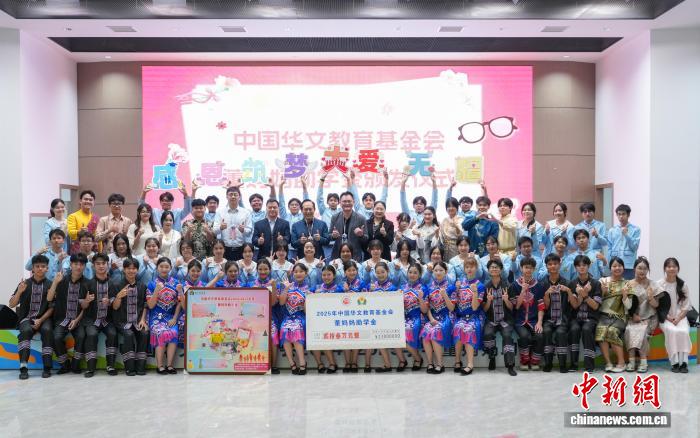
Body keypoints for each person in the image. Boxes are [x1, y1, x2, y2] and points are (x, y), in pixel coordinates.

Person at [10, 255, 54, 379]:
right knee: (25, 331)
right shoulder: (24, 284)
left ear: (47, 268)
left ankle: (47, 367)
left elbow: (52, 307)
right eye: (37, 266)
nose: (40, 269)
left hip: (44, 318)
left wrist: (41, 320)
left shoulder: (51, 285)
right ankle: (23, 367)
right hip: (26, 318)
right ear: (32, 268)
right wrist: (19, 291)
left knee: (47, 330)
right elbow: (11, 304)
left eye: (43, 266)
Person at [48, 254, 88, 374]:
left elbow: (86, 307)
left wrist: (76, 320)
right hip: (62, 318)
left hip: (78, 320)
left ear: (85, 266)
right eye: (76, 264)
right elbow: (49, 298)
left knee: (81, 336)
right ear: (71, 265)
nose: (78, 267)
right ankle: (64, 365)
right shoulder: (61, 280)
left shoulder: (88, 283)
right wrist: (55, 282)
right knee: (56, 337)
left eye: (81, 264)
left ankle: (75, 365)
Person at [80, 253, 118, 377]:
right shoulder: (87, 284)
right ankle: (90, 368)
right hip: (91, 319)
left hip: (108, 320)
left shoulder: (113, 284)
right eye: (98, 264)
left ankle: (110, 365)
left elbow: (116, 304)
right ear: (93, 266)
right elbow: (82, 306)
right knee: (91, 334)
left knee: (112, 334)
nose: (101, 266)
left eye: (103, 263)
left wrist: (110, 302)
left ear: (108, 265)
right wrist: (86, 301)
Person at [110, 257, 149, 376]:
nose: (131, 271)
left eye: (134, 268)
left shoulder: (142, 286)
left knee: (144, 333)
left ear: (137, 270)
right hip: (122, 321)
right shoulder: (116, 285)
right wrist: (118, 296)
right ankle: (129, 367)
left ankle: (140, 367)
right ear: (124, 269)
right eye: (128, 268)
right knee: (128, 334)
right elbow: (114, 307)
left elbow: (145, 305)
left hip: (137, 321)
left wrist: (143, 320)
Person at [596, 257, 634, 373]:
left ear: (623, 268)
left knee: (612, 331)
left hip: (620, 317)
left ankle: (621, 363)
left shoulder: (627, 284)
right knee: (601, 330)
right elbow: (597, 301)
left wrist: (624, 296)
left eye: (619, 266)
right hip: (604, 316)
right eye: (614, 266)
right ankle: (608, 363)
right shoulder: (602, 281)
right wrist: (603, 292)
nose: (617, 268)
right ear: (610, 268)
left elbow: (629, 307)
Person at [624, 257, 661, 373]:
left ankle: (643, 362)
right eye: (639, 268)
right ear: (634, 269)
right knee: (629, 330)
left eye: (645, 268)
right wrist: (633, 316)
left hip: (650, 318)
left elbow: (657, 305)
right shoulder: (628, 284)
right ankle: (631, 361)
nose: (642, 271)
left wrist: (651, 298)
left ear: (648, 270)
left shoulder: (653, 284)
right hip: (633, 318)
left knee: (642, 330)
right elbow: (626, 305)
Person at [147, 257, 182, 374]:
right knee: (161, 333)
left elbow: (179, 303)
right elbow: (150, 305)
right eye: (161, 266)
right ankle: (160, 366)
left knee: (174, 332)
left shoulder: (176, 283)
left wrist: (175, 318)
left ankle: (170, 365)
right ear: (157, 268)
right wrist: (156, 290)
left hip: (171, 317)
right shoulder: (152, 284)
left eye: (167, 267)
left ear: (171, 268)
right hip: (156, 317)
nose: (164, 269)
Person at [541, 253, 576, 373]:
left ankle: (562, 364)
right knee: (546, 332)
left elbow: (574, 304)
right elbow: (545, 307)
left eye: (555, 264)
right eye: (550, 264)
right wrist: (546, 294)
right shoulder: (543, 283)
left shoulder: (567, 282)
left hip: (563, 318)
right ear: (546, 266)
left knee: (561, 333)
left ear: (559, 265)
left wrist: (569, 291)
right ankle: (548, 363)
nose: (553, 266)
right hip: (548, 318)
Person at [482, 259, 517, 376]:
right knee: (487, 334)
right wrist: (488, 301)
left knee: (507, 335)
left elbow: (512, 308)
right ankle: (492, 358)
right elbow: (484, 309)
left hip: (506, 320)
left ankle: (510, 365)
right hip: (491, 320)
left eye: (496, 267)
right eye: (491, 267)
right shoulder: (486, 287)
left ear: (501, 270)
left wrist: (506, 300)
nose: (494, 269)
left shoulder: (508, 285)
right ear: (488, 270)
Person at [657, 257, 693, 373]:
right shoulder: (659, 284)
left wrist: (678, 318)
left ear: (678, 268)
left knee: (683, 332)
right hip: (665, 317)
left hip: (680, 316)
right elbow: (658, 306)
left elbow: (686, 306)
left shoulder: (682, 285)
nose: (671, 268)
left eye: (674, 266)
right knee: (672, 331)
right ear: (665, 269)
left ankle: (684, 363)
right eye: (669, 266)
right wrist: (669, 317)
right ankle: (675, 362)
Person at [568, 254, 602, 372]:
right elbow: (575, 305)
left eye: (584, 265)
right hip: (576, 317)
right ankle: (573, 364)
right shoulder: (572, 284)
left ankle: (589, 366)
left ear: (589, 266)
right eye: (578, 265)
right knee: (574, 329)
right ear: (575, 267)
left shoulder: (596, 283)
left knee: (587, 329)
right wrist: (580, 295)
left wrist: (585, 295)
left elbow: (595, 306)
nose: (581, 267)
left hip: (591, 317)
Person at [451, 256, 485, 376]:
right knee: (458, 327)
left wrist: (475, 292)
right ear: (464, 269)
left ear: (476, 268)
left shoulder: (480, 285)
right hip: (461, 317)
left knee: (468, 329)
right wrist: (456, 289)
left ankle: (470, 364)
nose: (469, 269)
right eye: (467, 267)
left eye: (472, 267)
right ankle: (457, 360)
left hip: (474, 317)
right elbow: (454, 302)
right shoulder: (460, 283)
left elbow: (475, 307)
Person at [420, 262, 454, 374]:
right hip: (433, 317)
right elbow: (427, 307)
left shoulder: (451, 287)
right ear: (432, 272)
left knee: (435, 332)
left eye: (441, 270)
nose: (438, 273)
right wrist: (431, 319)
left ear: (446, 272)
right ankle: (430, 363)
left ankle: (440, 364)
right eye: (436, 270)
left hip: (447, 317)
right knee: (425, 333)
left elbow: (452, 308)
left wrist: (445, 295)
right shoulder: (428, 287)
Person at [279, 263, 313, 375]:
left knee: (296, 329)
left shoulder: (310, 288)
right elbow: (281, 302)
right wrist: (286, 289)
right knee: (284, 329)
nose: (298, 274)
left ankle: (302, 362)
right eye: (296, 272)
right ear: (293, 273)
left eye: (301, 271)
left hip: (301, 317)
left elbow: (307, 311)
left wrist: (308, 298)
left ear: (306, 273)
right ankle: (292, 363)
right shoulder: (288, 286)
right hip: (287, 317)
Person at [512, 256, 545, 372]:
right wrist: (522, 291)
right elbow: (516, 306)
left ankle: (535, 361)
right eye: (526, 267)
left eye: (531, 268)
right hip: (519, 320)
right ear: (521, 268)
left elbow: (541, 306)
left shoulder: (539, 285)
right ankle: (524, 361)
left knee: (539, 335)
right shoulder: (515, 285)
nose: (528, 270)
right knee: (524, 336)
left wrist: (539, 323)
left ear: (534, 269)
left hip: (534, 320)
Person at [310, 265, 341, 374]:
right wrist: (311, 295)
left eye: (329, 274)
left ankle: (332, 363)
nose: (326, 277)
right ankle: (319, 363)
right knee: (313, 335)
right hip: (318, 320)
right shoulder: (316, 288)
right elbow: (307, 298)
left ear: (334, 275)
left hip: (334, 320)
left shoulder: (339, 288)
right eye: (324, 275)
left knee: (323, 335)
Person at [399, 263, 425, 372]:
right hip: (403, 317)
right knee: (395, 332)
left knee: (410, 329)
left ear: (419, 274)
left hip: (417, 317)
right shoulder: (402, 287)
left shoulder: (423, 288)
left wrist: (421, 298)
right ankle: (404, 359)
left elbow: (425, 310)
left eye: (415, 273)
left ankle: (417, 358)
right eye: (410, 272)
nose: (412, 275)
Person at [329, 191, 367, 263]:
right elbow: (329, 235)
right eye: (344, 201)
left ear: (353, 202)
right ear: (340, 203)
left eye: (349, 201)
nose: (347, 203)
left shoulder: (361, 218)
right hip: (338, 255)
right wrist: (333, 236)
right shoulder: (335, 217)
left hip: (355, 255)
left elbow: (366, 238)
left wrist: (361, 235)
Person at [217, 186, 253, 261]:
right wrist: (220, 227)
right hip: (225, 249)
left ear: (239, 197)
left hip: (241, 249)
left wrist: (243, 230)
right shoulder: (220, 212)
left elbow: (249, 231)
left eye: (235, 194)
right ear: (226, 197)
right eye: (231, 194)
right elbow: (214, 230)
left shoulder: (246, 212)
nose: (233, 196)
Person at [606, 204, 641, 279]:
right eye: (619, 214)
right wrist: (609, 264)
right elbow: (609, 249)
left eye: (623, 214)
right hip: (615, 265)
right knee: (615, 285)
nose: (621, 216)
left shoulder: (636, 229)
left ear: (628, 215)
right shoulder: (612, 230)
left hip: (628, 265)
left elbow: (634, 247)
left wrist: (626, 235)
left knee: (628, 285)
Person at [317, 171, 342, 260]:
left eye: (335, 200)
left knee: (338, 263)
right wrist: (322, 180)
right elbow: (319, 198)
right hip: (327, 242)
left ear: (339, 202)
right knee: (327, 263)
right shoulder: (324, 210)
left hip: (339, 242)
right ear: (327, 202)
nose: (333, 202)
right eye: (331, 200)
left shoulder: (341, 211)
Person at [178, 259, 204, 349]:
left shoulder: (204, 285)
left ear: (201, 272)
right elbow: (184, 307)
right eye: (193, 271)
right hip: (185, 314)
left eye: (198, 271)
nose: (195, 273)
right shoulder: (182, 286)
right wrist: (182, 292)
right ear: (188, 271)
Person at [67, 190, 100, 254]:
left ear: (93, 202)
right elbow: (71, 233)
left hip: (93, 251)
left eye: (90, 200)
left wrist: (99, 251)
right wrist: (80, 232)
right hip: (77, 251)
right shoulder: (73, 216)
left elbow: (98, 237)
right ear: (80, 201)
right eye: (86, 199)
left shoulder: (96, 218)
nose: (88, 201)